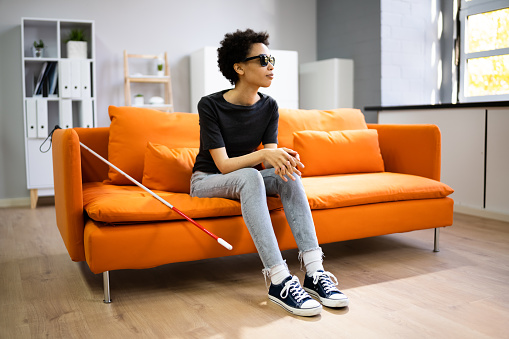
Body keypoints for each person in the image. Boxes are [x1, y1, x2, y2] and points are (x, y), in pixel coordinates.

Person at [190, 28, 348, 317]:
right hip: (208, 180)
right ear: (239, 67)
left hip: (245, 177)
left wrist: (282, 159)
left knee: (287, 174)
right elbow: (224, 165)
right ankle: (278, 280)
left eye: (271, 58)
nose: (271, 66)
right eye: (262, 60)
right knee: (250, 175)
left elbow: (269, 164)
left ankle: (314, 271)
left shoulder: (269, 106)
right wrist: (264, 153)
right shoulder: (210, 105)